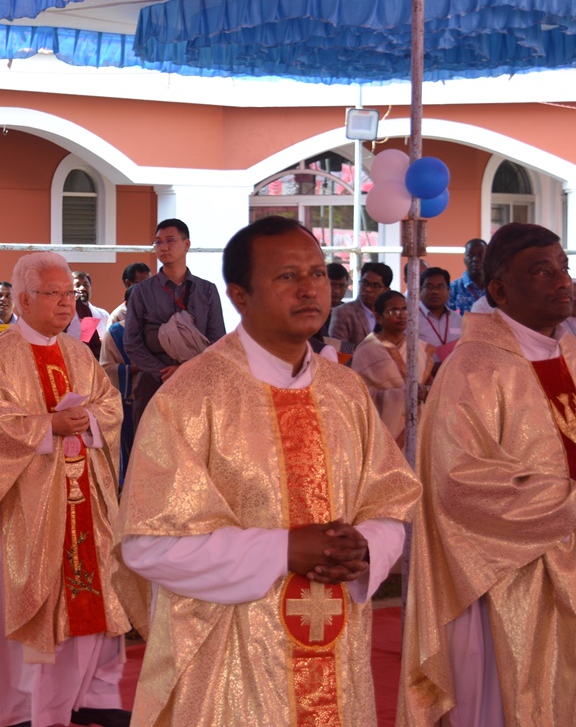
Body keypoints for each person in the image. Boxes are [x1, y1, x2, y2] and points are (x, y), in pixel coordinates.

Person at [118, 216, 420, 726]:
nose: (309, 288)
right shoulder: (192, 396)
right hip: (229, 666)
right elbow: (147, 544)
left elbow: (390, 497)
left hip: (338, 646)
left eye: (317, 273)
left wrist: (366, 544)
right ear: (239, 295)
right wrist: (283, 550)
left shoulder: (344, 391)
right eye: (286, 276)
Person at [0, 251, 145, 727]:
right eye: (52, 294)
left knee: (94, 595)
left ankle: (92, 694)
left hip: (83, 497)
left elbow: (110, 405)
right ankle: (25, 708)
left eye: (68, 293)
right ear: (22, 300)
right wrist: (48, 425)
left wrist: (88, 419)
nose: (65, 303)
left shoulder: (78, 352)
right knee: (31, 599)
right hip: (24, 507)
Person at [400, 223, 576, 727]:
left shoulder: (568, 353)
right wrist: (568, 502)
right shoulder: (473, 368)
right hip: (508, 576)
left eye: (563, 268)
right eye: (542, 272)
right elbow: (460, 484)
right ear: (499, 289)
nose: (562, 281)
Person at [123, 218, 226, 429]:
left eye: (170, 240)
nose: (163, 247)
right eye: (158, 242)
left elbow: (218, 341)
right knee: (151, 446)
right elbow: (132, 342)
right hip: (154, 383)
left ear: (186, 244)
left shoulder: (207, 290)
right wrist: (162, 371)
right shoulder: (142, 292)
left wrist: (185, 370)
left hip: (198, 384)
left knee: (195, 444)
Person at [350, 290, 434, 448]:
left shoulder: (418, 347)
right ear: (378, 317)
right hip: (383, 432)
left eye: (405, 309)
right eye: (394, 311)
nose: (402, 315)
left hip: (418, 428)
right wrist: (403, 395)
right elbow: (358, 395)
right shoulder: (367, 351)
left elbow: (430, 385)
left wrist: (425, 391)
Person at [101, 287, 141, 483]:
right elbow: (106, 368)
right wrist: (131, 369)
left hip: (153, 402)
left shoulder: (158, 330)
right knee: (128, 452)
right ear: (126, 305)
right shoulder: (115, 333)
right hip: (127, 402)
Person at [329, 261, 392, 347]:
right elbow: (338, 349)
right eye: (365, 283)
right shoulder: (343, 313)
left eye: (375, 285)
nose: (368, 289)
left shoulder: (390, 315)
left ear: (386, 290)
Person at [418, 266, 463, 364]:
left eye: (440, 287)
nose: (435, 291)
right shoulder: (410, 320)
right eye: (429, 287)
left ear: (448, 290)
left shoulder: (458, 320)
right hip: (422, 372)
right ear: (420, 290)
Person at [71, 270, 111, 358]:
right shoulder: (66, 314)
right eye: (77, 285)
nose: (82, 288)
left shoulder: (103, 314)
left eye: (86, 285)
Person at [447, 237, 487, 315]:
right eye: (470, 255)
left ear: (488, 259)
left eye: (481, 255)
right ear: (465, 260)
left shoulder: (496, 288)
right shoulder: (452, 289)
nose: (475, 259)